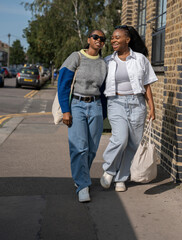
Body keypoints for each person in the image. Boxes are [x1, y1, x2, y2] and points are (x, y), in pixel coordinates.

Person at [100, 25, 157, 192]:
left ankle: (121, 178)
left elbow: (146, 85)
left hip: (137, 103)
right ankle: (109, 170)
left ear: (127, 39)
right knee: (120, 139)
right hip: (116, 102)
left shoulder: (140, 59)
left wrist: (152, 108)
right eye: (112, 38)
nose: (113, 40)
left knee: (133, 144)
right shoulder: (108, 61)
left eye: (117, 37)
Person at [57, 29, 107, 202]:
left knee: (92, 149)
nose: (99, 40)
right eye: (95, 37)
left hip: (96, 105)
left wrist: (104, 113)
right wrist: (66, 110)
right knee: (79, 147)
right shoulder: (76, 57)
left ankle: (80, 177)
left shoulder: (103, 63)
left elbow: (104, 90)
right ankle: (82, 185)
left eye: (102, 39)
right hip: (77, 105)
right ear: (88, 39)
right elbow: (63, 83)